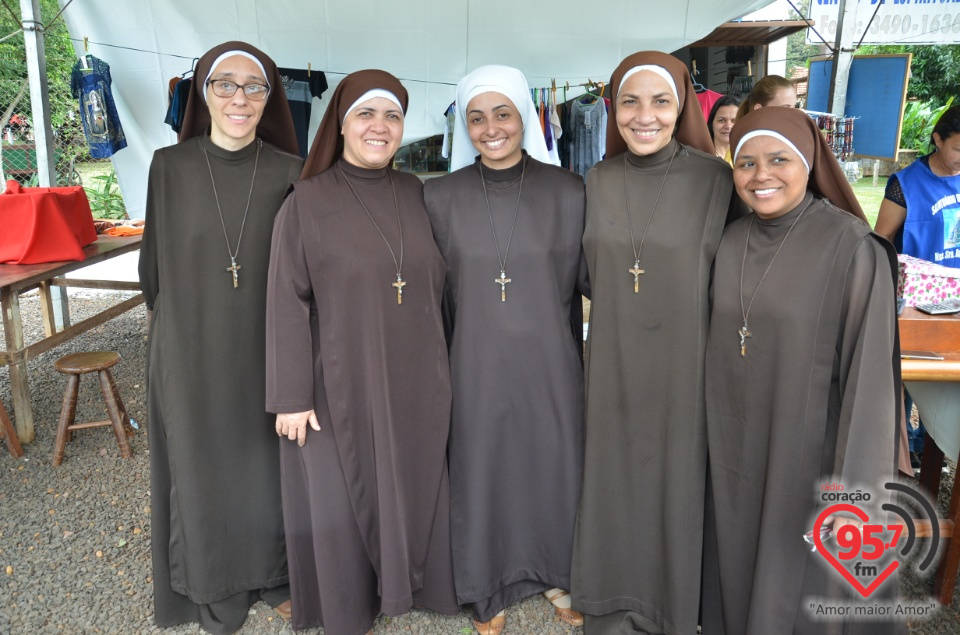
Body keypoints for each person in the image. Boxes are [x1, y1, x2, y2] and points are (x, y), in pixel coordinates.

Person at [265, 69, 460, 635]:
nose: (380, 127)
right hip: (338, 379)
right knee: (341, 489)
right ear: (341, 125)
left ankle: (413, 583)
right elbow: (285, 300)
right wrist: (291, 396)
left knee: (415, 473)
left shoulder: (415, 193)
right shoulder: (305, 202)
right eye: (366, 115)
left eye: (392, 116)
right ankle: (350, 605)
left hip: (416, 371)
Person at [701, 106, 904, 634]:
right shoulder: (726, 241)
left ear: (809, 162)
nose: (760, 174)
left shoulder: (854, 249)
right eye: (745, 162)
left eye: (777, 159)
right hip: (736, 446)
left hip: (809, 453)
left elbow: (871, 392)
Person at [571, 51, 744, 635]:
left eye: (661, 101)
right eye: (630, 101)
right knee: (618, 477)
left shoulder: (716, 180)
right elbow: (587, 272)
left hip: (685, 364)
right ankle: (613, 597)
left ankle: (673, 606)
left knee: (674, 482)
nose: (644, 116)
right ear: (612, 109)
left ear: (682, 108)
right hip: (615, 360)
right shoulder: (596, 179)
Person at [138, 42, 302, 634]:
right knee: (201, 465)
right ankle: (211, 582)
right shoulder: (168, 166)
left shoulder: (290, 171)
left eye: (254, 86)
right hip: (189, 347)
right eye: (224, 84)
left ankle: (273, 574)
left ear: (270, 98)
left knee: (267, 466)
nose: (239, 98)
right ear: (202, 93)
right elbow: (152, 271)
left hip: (264, 349)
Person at [422, 65, 588, 635]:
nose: (491, 128)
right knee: (480, 468)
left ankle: (558, 574)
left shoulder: (568, 190)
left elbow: (594, 281)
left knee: (554, 467)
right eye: (476, 118)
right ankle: (483, 585)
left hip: (550, 363)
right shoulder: (438, 197)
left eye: (503, 114)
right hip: (473, 362)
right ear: (463, 127)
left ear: (524, 117)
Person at [874, 105, 960, 468]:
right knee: (909, 374)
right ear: (938, 139)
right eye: (958, 148)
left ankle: (933, 448)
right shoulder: (905, 183)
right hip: (916, 302)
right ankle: (903, 451)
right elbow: (881, 238)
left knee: (949, 379)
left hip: (957, 299)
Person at [707, 94, 740, 164]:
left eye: (734, 121)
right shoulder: (701, 157)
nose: (728, 126)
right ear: (712, 124)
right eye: (722, 120)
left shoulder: (748, 157)